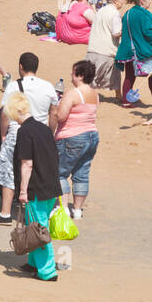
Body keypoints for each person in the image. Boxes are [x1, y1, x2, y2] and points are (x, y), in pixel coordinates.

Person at [8, 91, 63, 281]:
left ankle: (47, 271)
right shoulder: (44, 128)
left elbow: (27, 163)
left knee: (39, 231)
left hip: (36, 189)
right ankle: (33, 262)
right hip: (50, 186)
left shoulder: (25, 132)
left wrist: (23, 191)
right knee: (36, 226)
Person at [55, 59, 99, 219]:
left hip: (72, 136)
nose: (71, 76)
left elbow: (61, 117)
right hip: (91, 135)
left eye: (73, 73)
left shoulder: (73, 93)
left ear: (80, 75)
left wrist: (54, 108)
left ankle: (64, 208)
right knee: (82, 172)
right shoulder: (95, 94)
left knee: (60, 172)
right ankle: (78, 210)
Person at [118, 0, 152, 107]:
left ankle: (126, 101)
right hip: (141, 50)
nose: (151, 1)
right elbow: (149, 33)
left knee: (129, 76)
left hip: (128, 49)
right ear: (142, 2)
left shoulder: (128, 13)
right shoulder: (145, 14)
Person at [86, 0, 124, 91]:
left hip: (93, 48)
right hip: (105, 51)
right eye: (121, 0)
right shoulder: (115, 13)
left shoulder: (100, 11)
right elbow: (116, 33)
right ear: (115, 1)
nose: (123, 2)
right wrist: (126, 30)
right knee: (97, 78)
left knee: (89, 76)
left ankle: (118, 95)